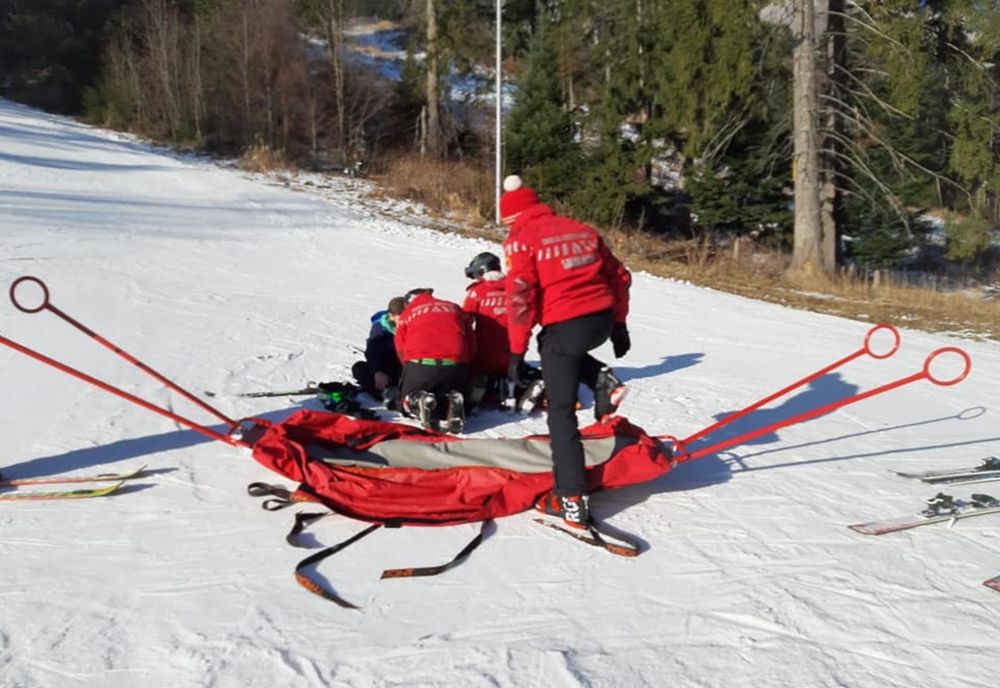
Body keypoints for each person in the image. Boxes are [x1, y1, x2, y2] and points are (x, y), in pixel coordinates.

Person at [500, 174, 632, 529]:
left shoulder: (520, 240)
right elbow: (619, 275)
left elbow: (521, 296)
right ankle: (599, 376)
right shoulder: (580, 229)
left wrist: (514, 352)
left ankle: (571, 499)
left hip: (567, 324)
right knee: (552, 347)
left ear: (512, 217)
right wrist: (618, 325)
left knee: (560, 412)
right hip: (599, 320)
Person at [393, 288, 474, 433]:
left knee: (404, 402)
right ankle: (451, 401)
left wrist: (407, 371)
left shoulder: (408, 314)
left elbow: (401, 348)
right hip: (454, 365)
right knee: (443, 396)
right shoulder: (454, 307)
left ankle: (418, 400)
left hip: (421, 365)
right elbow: (471, 341)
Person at [351, 296, 405, 400]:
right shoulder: (380, 328)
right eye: (400, 319)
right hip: (384, 368)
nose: (403, 322)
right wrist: (377, 371)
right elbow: (372, 351)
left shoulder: (409, 326)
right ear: (391, 316)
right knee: (359, 368)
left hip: (402, 367)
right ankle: (384, 393)